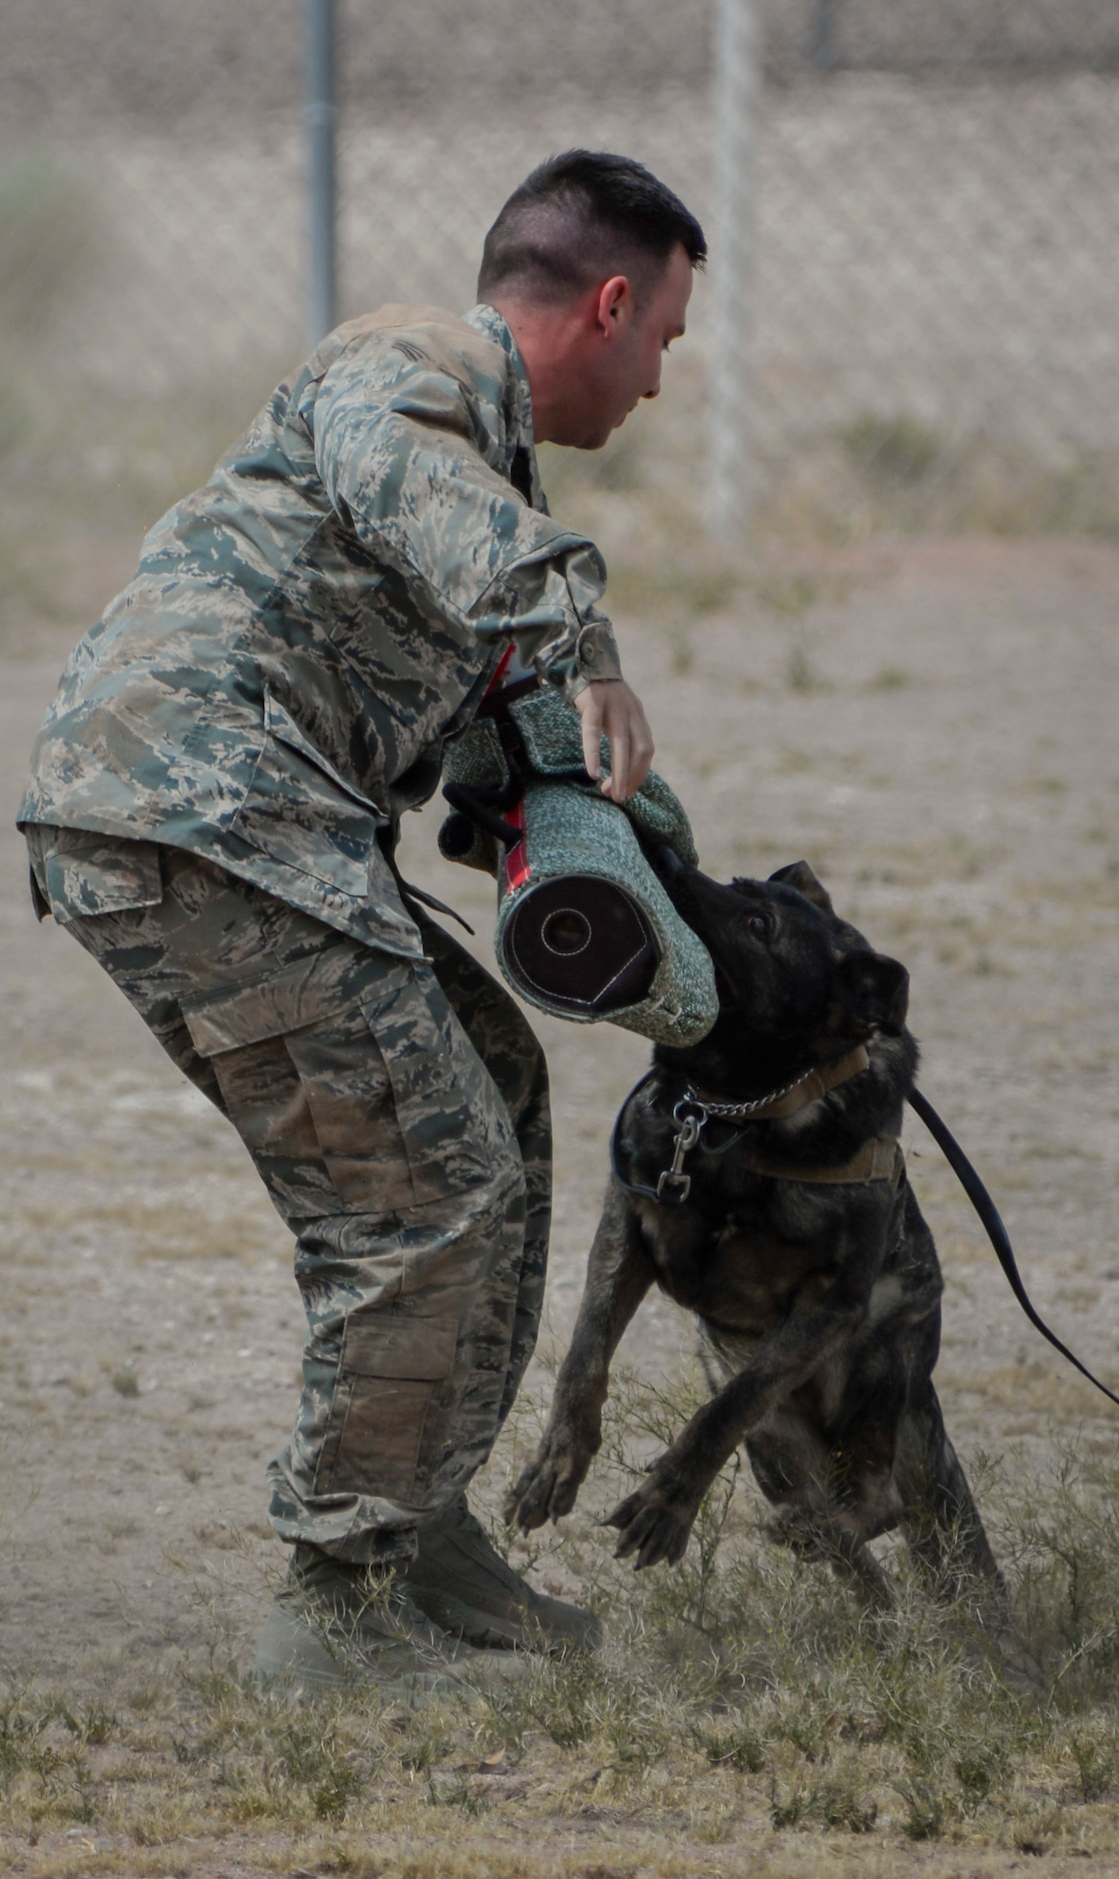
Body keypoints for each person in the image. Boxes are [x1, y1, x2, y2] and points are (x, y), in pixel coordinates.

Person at [18, 149, 706, 1690]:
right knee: (420, 1190)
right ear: (609, 302)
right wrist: (578, 640)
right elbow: (421, 500)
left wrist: (578, 805)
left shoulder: (487, 469)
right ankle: (334, 1610)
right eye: (664, 336)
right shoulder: (411, 365)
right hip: (201, 812)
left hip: (233, 822)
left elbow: (468, 726)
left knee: (494, 1088)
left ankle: (421, 1522)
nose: (661, 380)